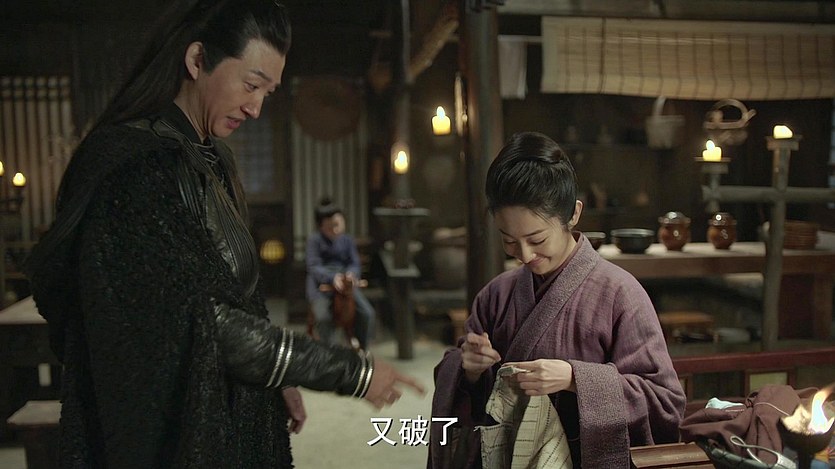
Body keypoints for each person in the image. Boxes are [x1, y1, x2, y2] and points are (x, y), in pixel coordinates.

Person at [24, 1, 422, 467]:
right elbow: (202, 320)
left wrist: (277, 377)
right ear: (197, 60)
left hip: (231, 407)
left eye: (267, 92)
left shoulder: (212, 158)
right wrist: (349, 371)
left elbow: (239, 295)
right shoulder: (134, 169)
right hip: (170, 428)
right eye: (251, 85)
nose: (255, 108)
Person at [429, 132, 685, 468]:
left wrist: (574, 378)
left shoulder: (621, 294)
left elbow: (664, 401)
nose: (524, 255)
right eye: (509, 241)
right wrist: (469, 369)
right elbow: (469, 401)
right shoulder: (495, 295)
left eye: (536, 239)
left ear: (573, 214)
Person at [306, 198, 376, 350]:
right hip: (321, 287)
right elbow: (314, 266)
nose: (335, 230)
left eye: (338, 225)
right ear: (321, 226)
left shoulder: (347, 240)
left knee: (367, 313)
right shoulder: (314, 240)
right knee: (323, 318)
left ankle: (362, 350)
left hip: (345, 286)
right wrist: (332, 278)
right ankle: (330, 353)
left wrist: (351, 275)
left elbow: (354, 263)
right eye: (330, 226)